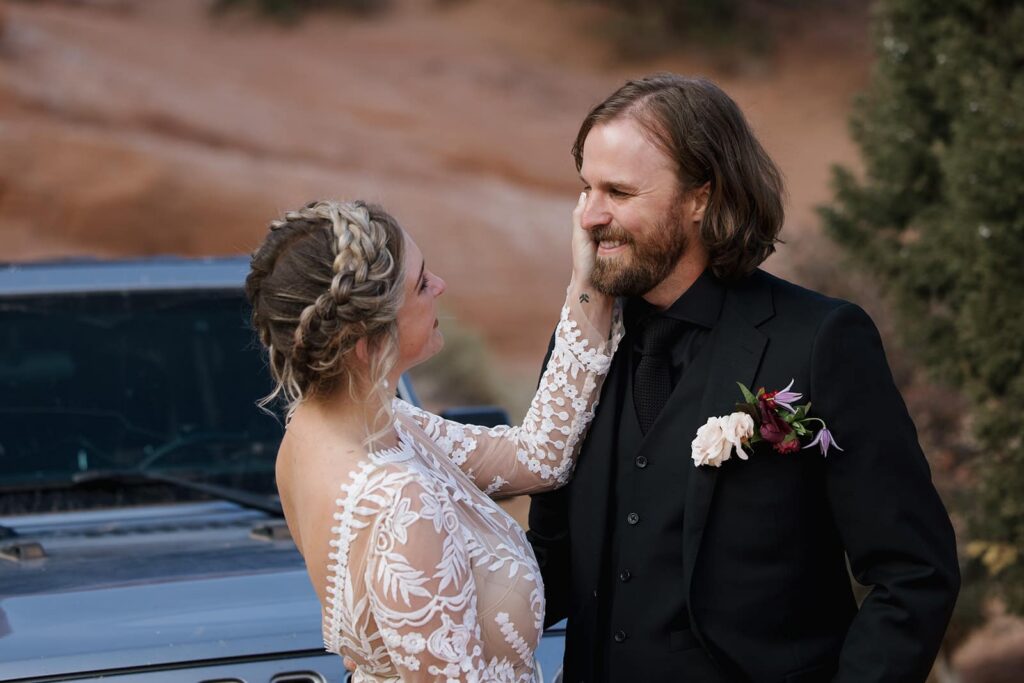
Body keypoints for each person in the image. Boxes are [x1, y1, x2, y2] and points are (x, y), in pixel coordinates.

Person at [527, 74, 960, 683]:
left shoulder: (820, 341)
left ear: (701, 197)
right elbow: (547, 569)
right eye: (586, 188)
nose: (591, 216)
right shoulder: (578, 347)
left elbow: (914, 574)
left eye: (619, 192)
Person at [245, 197, 622, 682]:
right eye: (422, 284)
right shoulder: (401, 502)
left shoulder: (330, 430)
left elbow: (537, 457)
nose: (440, 286)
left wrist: (589, 288)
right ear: (367, 343)